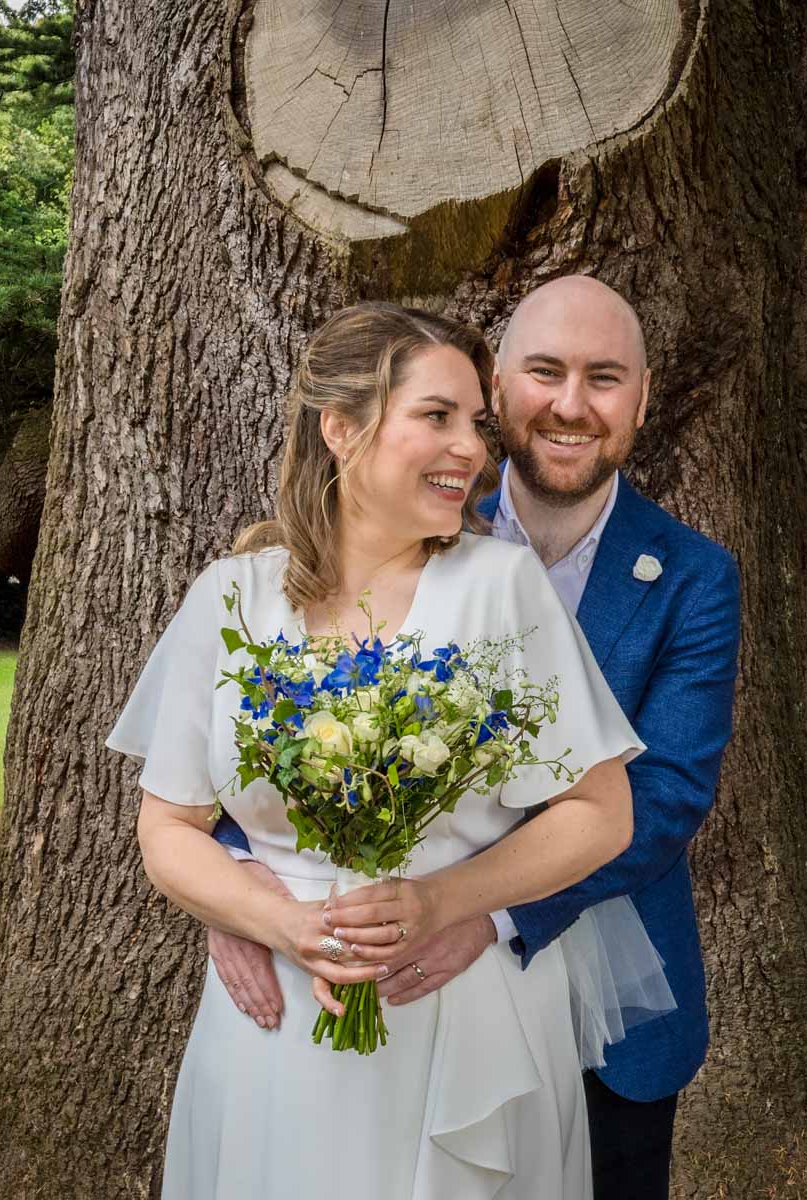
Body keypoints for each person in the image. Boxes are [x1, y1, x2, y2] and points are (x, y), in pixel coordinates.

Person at [212, 276, 743, 1200]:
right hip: (392, 972)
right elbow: (273, 716)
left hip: (608, 975)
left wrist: (488, 915)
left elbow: (664, 797)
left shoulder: (694, 576)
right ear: (496, 386)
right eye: (544, 371)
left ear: (643, 398)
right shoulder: (411, 527)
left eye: (604, 378)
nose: (570, 405)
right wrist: (240, 887)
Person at [106, 302, 648, 1199]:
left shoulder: (500, 587)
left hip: (459, 1011)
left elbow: (601, 813)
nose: (472, 449)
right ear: (341, 428)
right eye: (436, 417)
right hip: (273, 1018)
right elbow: (168, 826)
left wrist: (440, 900)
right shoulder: (230, 600)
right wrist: (278, 923)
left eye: (475, 423)